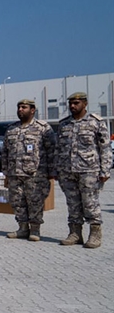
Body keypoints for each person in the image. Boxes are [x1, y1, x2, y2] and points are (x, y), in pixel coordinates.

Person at [55, 92, 111, 248]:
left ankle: (95, 234)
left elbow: (105, 148)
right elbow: (58, 149)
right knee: (72, 204)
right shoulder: (64, 124)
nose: (73, 106)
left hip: (89, 171)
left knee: (90, 203)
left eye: (76, 103)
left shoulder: (96, 122)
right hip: (68, 171)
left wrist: (105, 170)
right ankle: (75, 233)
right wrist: (57, 170)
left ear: (85, 103)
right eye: (71, 103)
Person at [2, 99, 56, 242]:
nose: (20, 109)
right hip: (15, 174)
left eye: (24, 107)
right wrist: (6, 172)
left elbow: (52, 150)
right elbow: (5, 152)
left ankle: (35, 230)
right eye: (19, 107)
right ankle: (22, 228)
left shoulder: (43, 128)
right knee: (17, 201)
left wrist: (52, 172)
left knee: (35, 202)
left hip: (36, 174)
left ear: (32, 110)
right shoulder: (11, 129)